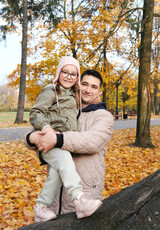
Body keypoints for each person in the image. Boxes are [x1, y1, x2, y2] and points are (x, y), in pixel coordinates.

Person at [26, 69, 114, 216]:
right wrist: (30, 138)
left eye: (93, 87)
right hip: (55, 198)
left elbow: (91, 142)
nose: (87, 89)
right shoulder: (63, 109)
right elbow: (38, 127)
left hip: (85, 195)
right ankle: (42, 207)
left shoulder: (103, 116)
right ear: (77, 85)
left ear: (99, 93)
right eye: (84, 84)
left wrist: (56, 139)